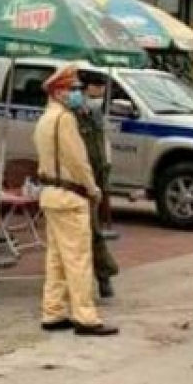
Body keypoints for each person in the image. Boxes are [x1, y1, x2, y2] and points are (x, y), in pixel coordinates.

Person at [34, 64, 118, 337]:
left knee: (56, 258)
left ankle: (53, 312)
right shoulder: (65, 119)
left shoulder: (45, 119)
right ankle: (85, 317)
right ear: (59, 92)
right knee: (79, 259)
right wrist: (93, 188)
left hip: (50, 194)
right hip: (70, 195)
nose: (78, 94)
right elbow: (78, 160)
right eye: (73, 89)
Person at [74, 73, 120, 300]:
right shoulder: (71, 116)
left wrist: (103, 182)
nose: (101, 93)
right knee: (91, 233)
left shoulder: (95, 114)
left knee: (93, 232)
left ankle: (102, 276)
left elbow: (101, 149)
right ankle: (103, 276)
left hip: (96, 179)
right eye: (97, 87)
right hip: (77, 183)